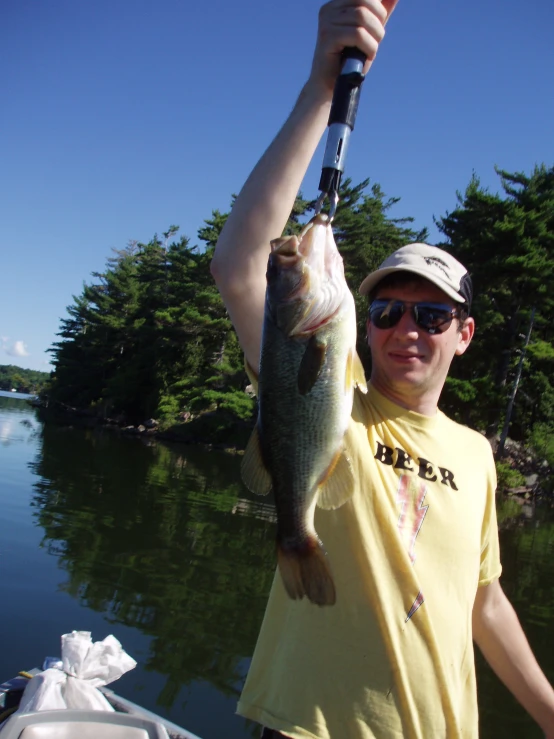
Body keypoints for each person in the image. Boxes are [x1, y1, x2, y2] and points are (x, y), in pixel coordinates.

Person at [211, 1, 554, 737]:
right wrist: (318, 88)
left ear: (463, 335)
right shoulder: (340, 398)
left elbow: (485, 602)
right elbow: (241, 265)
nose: (407, 328)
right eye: (388, 310)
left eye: (431, 316)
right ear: (357, 323)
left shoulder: (478, 455)